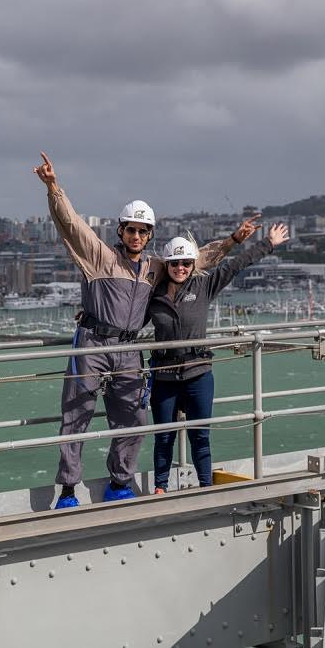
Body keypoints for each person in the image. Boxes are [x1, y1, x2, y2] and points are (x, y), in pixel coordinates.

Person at [33, 151, 261, 508]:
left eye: (143, 231)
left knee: (134, 417)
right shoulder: (100, 257)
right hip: (91, 344)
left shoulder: (156, 267)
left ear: (150, 235)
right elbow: (71, 224)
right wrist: (53, 187)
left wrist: (233, 240)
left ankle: (119, 481)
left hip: (128, 349)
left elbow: (196, 260)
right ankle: (67, 489)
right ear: (121, 231)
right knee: (75, 416)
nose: (137, 235)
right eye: (131, 229)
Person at [147, 223, 290, 493]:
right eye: (175, 263)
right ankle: (160, 488)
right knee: (163, 437)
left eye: (186, 263)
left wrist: (268, 244)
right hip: (164, 375)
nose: (181, 268)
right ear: (166, 265)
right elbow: (128, 319)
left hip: (198, 374)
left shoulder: (203, 285)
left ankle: (204, 487)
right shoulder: (152, 296)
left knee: (200, 436)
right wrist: (91, 318)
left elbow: (236, 265)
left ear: (192, 264)